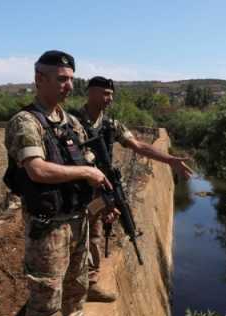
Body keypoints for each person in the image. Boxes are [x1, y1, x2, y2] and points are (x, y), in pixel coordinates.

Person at [4, 50, 112, 316]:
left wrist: (105, 203)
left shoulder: (72, 123)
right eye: (60, 78)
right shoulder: (26, 122)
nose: (68, 85)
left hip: (78, 219)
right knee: (44, 298)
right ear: (40, 79)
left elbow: (90, 163)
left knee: (77, 282)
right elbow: (37, 170)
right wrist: (86, 172)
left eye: (70, 78)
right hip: (48, 226)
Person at [71, 76, 193, 302]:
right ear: (89, 93)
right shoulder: (72, 121)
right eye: (104, 93)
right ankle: (63, 298)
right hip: (74, 190)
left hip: (100, 188)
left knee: (95, 233)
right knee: (72, 240)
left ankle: (91, 283)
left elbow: (138, 146)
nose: (109, 99)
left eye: (111, 94)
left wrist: (169, 160)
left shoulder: (110, 125)